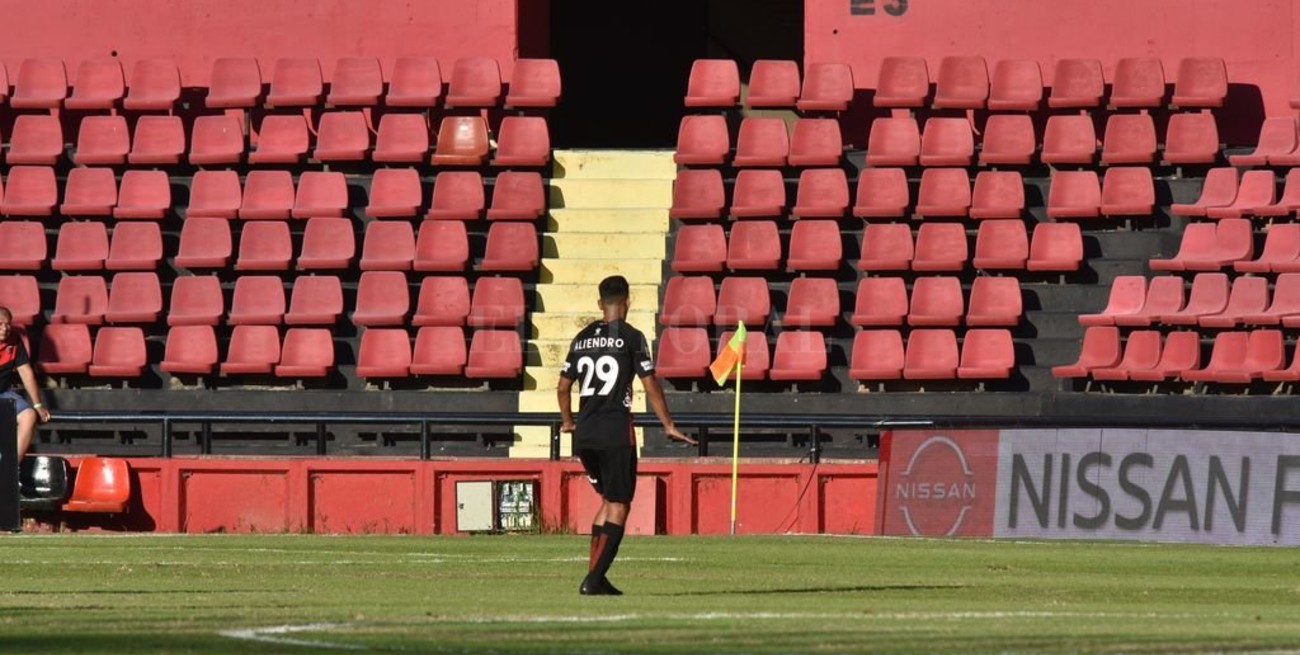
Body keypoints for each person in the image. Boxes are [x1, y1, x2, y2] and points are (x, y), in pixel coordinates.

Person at [557, 275, 695, 596]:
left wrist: (567, 421)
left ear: (598, 304)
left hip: (585, 432)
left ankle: (597, 575)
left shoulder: (581, 338)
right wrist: (669, 424)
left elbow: (563, 387)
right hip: (615, 430)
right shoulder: (632, 337)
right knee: (620, 505)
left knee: (607, 502)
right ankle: (593, 579)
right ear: (628, 301)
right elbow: (649, 384)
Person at [0, 307, 50, 462]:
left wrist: (37, 404)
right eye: (0, 324)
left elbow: (26, 373)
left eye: (8, 324)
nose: (5, 328)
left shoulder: (14, 341)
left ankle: (10, 470)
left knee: (28, 415)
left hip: (2, 394)